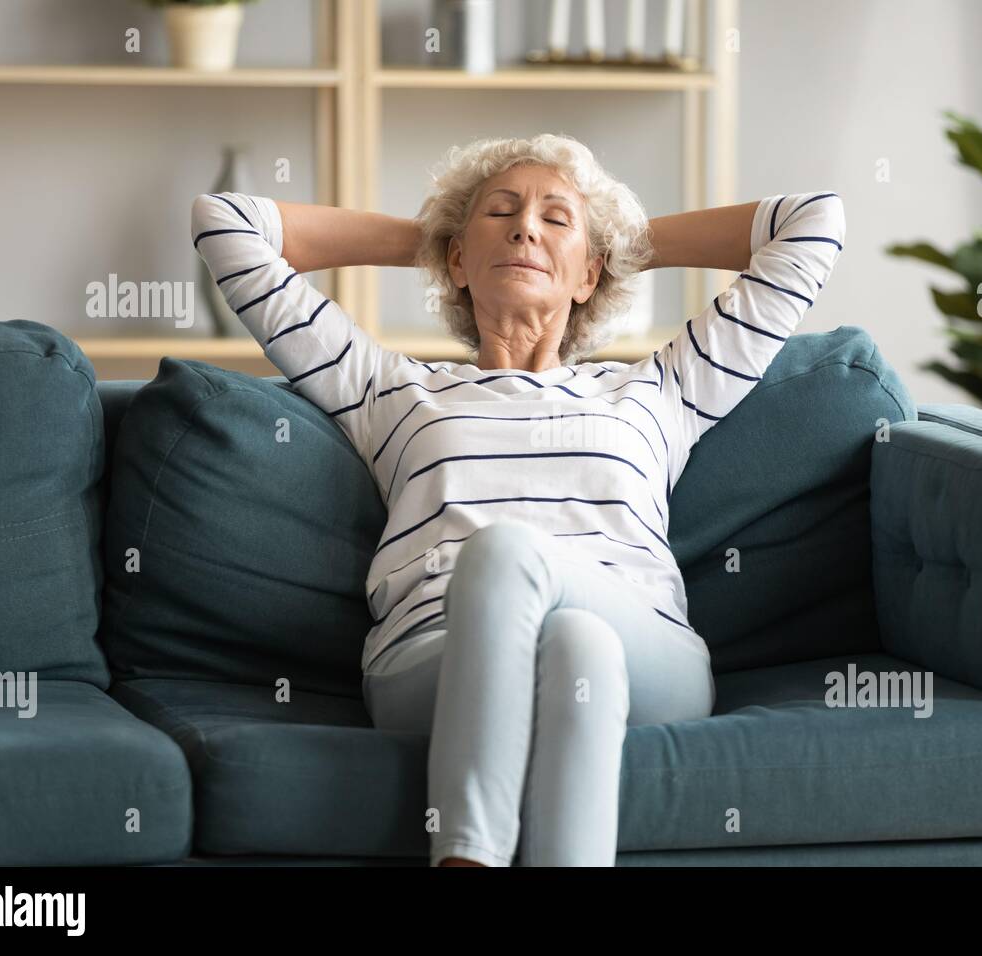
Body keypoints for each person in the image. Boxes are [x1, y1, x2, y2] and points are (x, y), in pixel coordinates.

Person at [190, 132, 845, 866]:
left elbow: (813, 220)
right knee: (574, 641)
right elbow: (225, 223)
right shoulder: (393, 390)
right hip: (433, 658)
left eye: (553, 219)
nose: (525, 226)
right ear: (458, 263)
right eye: (500, 213)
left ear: (591, 273)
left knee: (533, 574)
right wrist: (441, 238)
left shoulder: (657, 390)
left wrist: (615, 239)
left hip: (649, 655)